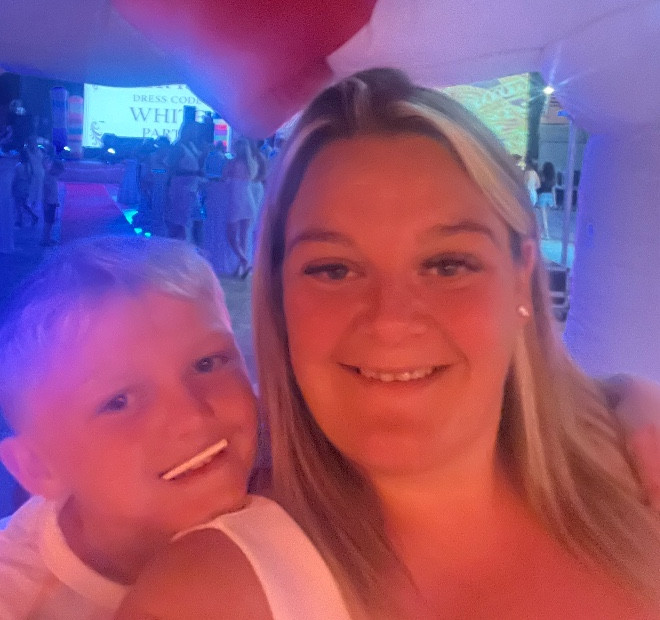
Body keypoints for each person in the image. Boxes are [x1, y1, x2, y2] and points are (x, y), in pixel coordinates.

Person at [119, 70, 660, 619]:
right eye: (333, 269)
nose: (391, 320)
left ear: (521, 279)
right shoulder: (206, 598)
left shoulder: (637, 473)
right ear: (279, 298)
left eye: (447, 265)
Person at [0, 236, 349, 620]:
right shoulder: (20, 599)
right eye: (119, 401)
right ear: (38, 467)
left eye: (207, 364)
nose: (191, 417)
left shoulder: (307, 456)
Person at [224, 137, 258, 278]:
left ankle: (243, 261)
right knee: (244, 236)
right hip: (248, 199)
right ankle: (242, 267)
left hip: (236, 199)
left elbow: (223, 176)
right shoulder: (251, 164)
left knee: (231, 235)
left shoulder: (233, 163)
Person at [164, 122, 205, 240]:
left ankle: (191, 243)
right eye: (193, 131)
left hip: (193, 186)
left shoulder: (192, 146)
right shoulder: (178, 147)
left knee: (195, 218)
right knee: (181, 219)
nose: (196, 133)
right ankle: (180, 243)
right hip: (181, 186)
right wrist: (191, 172)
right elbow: (171, 167)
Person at [11, 149, 38, 227]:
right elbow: (31, 178)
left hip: (19, 186)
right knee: (24, 204)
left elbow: (15, 179)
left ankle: (19, 220)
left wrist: (12, 188)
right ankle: (33, 216)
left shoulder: (18, 166)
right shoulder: (29, 166)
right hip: (26, 187)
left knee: (18, 204)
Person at [40, 158, 64, 245]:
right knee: (48, 222)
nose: (59, 174)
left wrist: (56, 201)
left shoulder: (53, 177)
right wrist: (45, 203)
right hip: (49, 203)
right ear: (55, 168)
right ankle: (45, 240)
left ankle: (47, 238)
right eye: (59, 171)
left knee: (50, 222)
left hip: (52, 202)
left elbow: (54, 191)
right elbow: (46, 191)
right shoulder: (48, 177)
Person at [537, 161, 556, 238]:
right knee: (545, 217)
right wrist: (554, 202)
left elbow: (538, 187)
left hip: (542, 197)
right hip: (550, 197)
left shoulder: (542, 177)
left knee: (543, 217)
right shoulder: (552, 179)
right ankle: (541, 233)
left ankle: (547, 234)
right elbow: (553, 191)